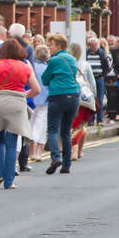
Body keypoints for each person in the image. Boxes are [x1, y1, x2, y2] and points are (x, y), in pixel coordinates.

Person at [0, 38, 40, 189]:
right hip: (17, 103)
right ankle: (9, 181)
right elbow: (36, 89)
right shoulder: (25, 66)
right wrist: (22, 95)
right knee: (12, 143)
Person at [41, 33, 81, 174]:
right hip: (74, 96)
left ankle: (55, 158)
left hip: (58, 96)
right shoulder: (72, 59)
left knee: (52, 130)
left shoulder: (54, 60)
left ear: (58, 45)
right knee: (66, 131)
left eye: (50, 45)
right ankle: (66, 165)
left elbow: (45, 79)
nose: (49, 48)